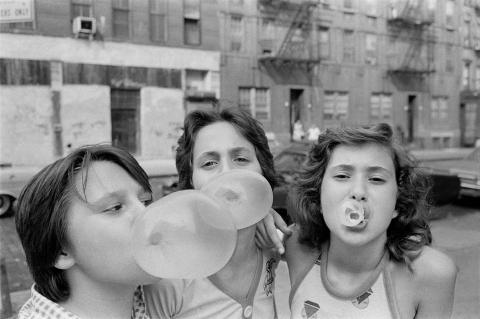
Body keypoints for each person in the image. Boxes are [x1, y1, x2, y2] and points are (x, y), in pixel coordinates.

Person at [285, 123, 457, 319]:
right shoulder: (295, 245)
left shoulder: (432, 273)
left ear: (398, 204)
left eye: (376, 179)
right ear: (318, 197)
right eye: (342, 175)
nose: (358, 192)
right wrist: (263, 216)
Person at [144, 107, 289, 318]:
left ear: (263, 170)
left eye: (241, 159)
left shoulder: (273, 249)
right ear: (192, 180)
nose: (227, 173)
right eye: (209, 163)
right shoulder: (169, 276)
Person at [15, 144, 158, 319]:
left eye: (145, 201)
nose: (149, 215)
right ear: (61, 251)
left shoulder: (168, 300)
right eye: (115, 207)